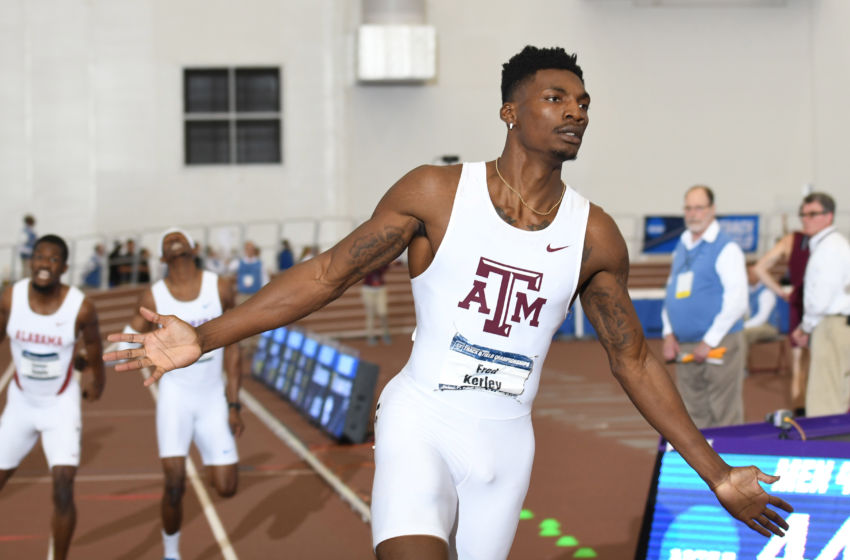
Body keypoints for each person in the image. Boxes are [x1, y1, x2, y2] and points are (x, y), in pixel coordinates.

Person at [107, 46, 792, 559]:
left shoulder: (595, 234)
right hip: (422, 420)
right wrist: (204, 335)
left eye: (583, 103)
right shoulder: (437, 193)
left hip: (507, 447)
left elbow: (634, 359)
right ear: (510, 110)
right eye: (557, 98)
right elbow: (327, 275)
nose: (576, 111)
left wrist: (720, 474)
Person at [120, 228, 244, 560]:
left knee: (227, 488)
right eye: (167, 242)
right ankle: (171, 553)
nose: (174, 241)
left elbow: (234, 347)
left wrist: (234, 404)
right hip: (175, 399)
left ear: (194, 247)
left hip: (212, 398)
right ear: (162, 257)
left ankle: (208, 444)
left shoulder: (218, 287)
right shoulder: (153, 296)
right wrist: (102, 353)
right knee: (174, 485)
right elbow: (127, 338)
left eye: (180, 238)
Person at [0, 234, 105, 560]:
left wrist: (97, 382)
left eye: (53, 259)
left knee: (63, 487)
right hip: (20, 402)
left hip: (60, 404)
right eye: (39, 257)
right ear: (31, 261)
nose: (45, 264)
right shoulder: (10, 298)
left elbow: (95, 348)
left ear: (64, 267)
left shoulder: (81, 307)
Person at [662, 185, 748, 429]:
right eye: (688, 208)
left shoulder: (727, 248)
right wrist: (669, 333)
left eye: (699, 208)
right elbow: (670, 292)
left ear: (712, 210)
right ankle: (702, 467)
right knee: (693, 413)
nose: (693, 214)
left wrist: (709, 341)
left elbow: (737, 300)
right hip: (686, 345)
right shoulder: (681, 245)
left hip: (719, 343)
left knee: (725, 413)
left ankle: (730, 466)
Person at [790, 192, 850, 417]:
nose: (806, 219)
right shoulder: (833, 244)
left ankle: (826, 451)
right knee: (837, 395)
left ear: (829, 216)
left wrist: (805, 327)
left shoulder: (829, 247)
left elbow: (821, 299)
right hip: (838, 325)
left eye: (813, 214)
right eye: (803, 214)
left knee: (824, 401)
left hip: (831, 326)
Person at [753, 229, 810, 417]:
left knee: (798, 363)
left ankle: (801, 413)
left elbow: (760, 268)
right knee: (816, 363)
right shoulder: (829, 240)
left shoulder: (789, 240)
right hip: (816, 307)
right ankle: (815, 413)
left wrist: (782, 292)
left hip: (799, 304)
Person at [743, 264, 780, 347]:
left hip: (769, 326)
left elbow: (762, 318)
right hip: (754, 321)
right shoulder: (749, 290)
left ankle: (742, 358)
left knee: (743, 334)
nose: (747, 276)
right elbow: (746, 312)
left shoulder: (766, 292)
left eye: (749, 274)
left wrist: (744, 326)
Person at [230, 240, 269, 305]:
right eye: (248, 249)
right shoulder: (239, 262)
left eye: (251, 249)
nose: (250, 251)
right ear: (245, 250)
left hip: (255, 295)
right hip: (242, 295)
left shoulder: (260, 264)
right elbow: (230, 269)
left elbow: (265, 279)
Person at [362, 263, 392, 345]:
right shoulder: (366, 259)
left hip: (380, 288)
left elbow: (386, 267)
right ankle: (370, 336)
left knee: (383, 313)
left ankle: (386, 334)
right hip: (368, 289)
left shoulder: (382, 259)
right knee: (370, 314)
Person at [18, 214, 37, 279]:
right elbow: (24, 241)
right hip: (27, 253)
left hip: (28, 253)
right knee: (27, 270)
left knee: (27, 270)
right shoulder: (26, 231)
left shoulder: (28, 231)